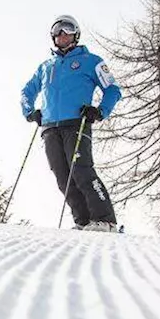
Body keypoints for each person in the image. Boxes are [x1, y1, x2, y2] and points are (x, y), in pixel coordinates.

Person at [20, 14, 122, 232]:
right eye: (57, 31)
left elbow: (113, 90)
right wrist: (29, 112)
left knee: (81, 171)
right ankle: (83, 220)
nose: (61, 34)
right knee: (62, 176)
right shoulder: (46, 66)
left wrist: (100, 110)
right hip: (49, 127)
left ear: (75, 34)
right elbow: (27, 91)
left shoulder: (91, 61)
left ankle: (105, 219)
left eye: (66, 29)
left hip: (76, 123)